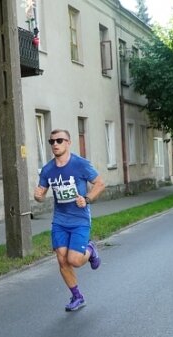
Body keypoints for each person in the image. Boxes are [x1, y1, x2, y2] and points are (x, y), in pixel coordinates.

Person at [34, 129, 105, 311]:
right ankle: (77, 297)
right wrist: (38, 196)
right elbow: (41, 193)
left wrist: (87, 199)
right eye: (52, 142)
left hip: (80, 219)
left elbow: (100, 183)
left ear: (68, 143)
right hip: (60, 220)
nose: (55, 144)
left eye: (59, 140)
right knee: (61, 259)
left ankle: (91, 249)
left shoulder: (81, 164)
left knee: (74, 260)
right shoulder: (48, 169)